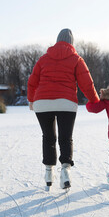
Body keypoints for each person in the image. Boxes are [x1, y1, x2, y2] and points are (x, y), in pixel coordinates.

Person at [27, 28, 99, 189]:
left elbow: (32, 82)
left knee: (48, 137)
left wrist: (31, 100)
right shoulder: (76, 59)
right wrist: (95, 100)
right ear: (71, 43)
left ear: (57, 40)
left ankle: (48, 172)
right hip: (66, 102)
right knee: (65, 138)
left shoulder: (43, 59)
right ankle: (65, 170)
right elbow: (87, 83)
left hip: (42, 102)